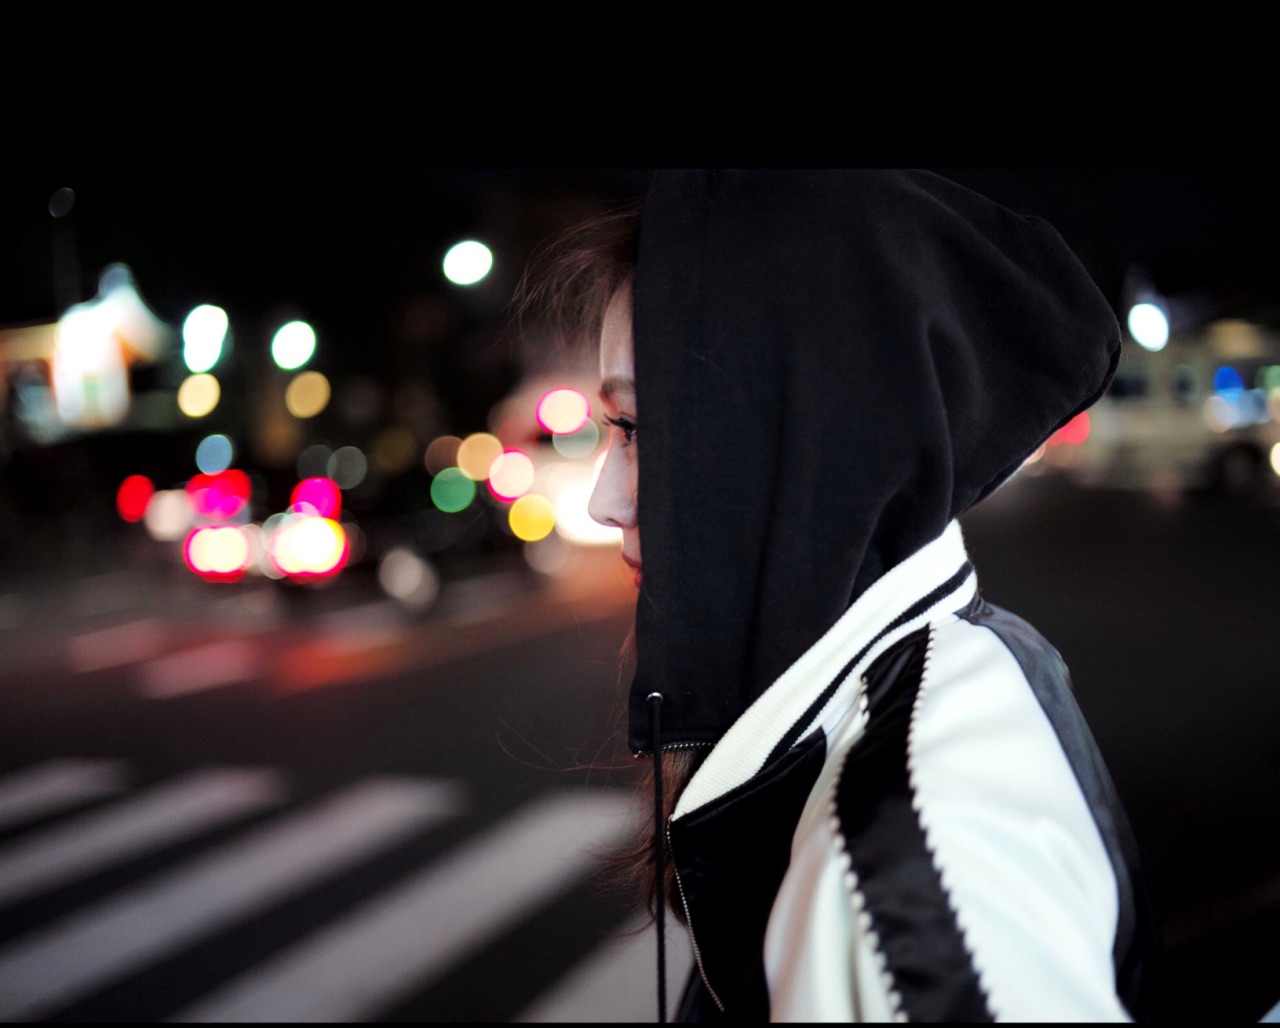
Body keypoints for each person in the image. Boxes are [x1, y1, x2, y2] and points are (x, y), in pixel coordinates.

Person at [517, 170, 1164, 1022]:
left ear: (805, 439)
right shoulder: (956, 669)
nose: (604, 501)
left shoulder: (911, 862)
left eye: (638, 430)